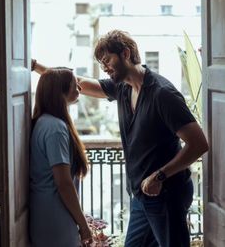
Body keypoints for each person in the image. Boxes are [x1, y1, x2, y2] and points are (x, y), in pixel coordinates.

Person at [32, 30, 209, 247]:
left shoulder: (163, 94)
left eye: (107, 60)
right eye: (101, 62)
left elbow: (199, 143)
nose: (104, 67)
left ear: (125, 54)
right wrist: (36, 67)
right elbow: (73, 83)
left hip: (166, 195)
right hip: (141, 196)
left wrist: (160, 176)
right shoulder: (122, 87)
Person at [29, 68, 93, 247]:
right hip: (56, 218)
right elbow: (64, 183)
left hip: (48, 214)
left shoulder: (45, 122)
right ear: (61, 90)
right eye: (74, 84)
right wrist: (83, 225)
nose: (79, 87)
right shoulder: (55, 128)